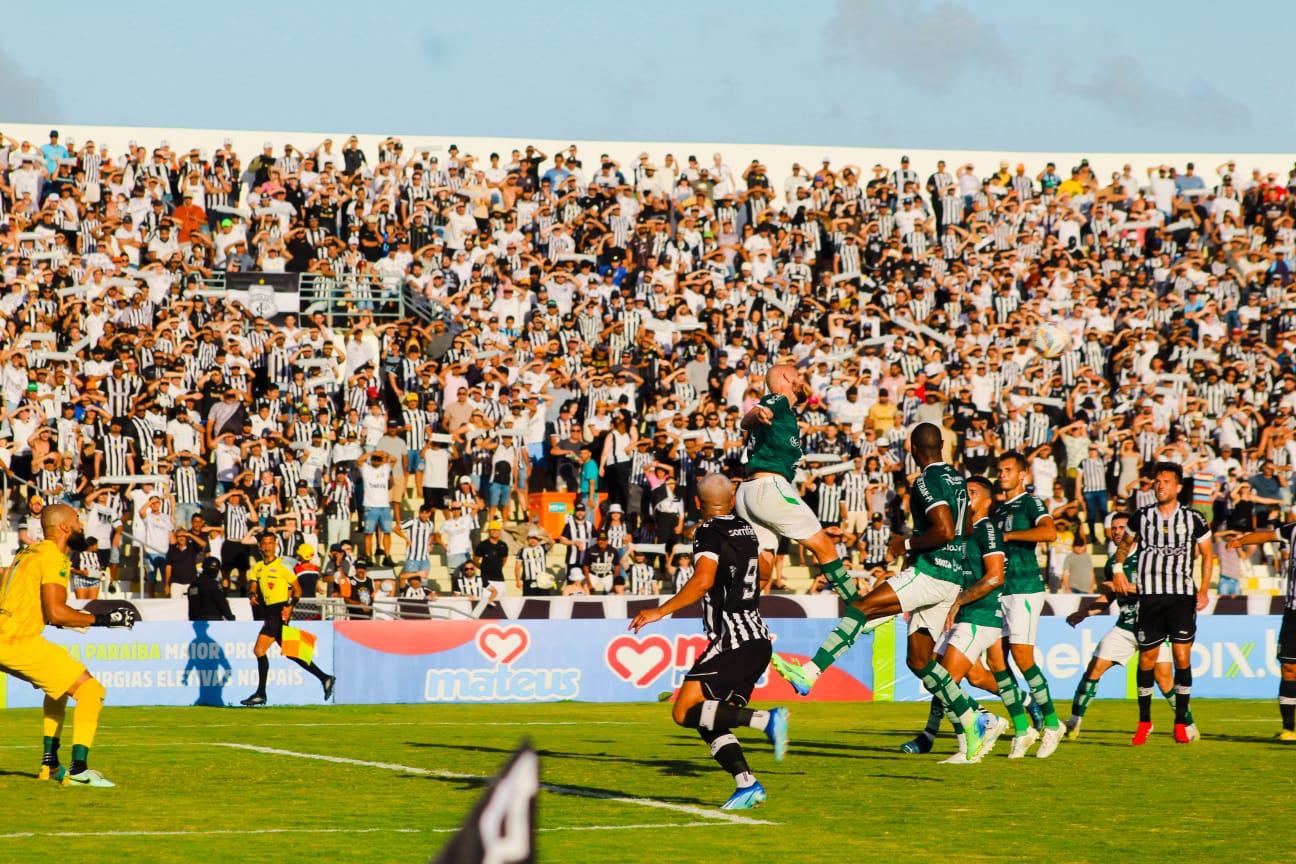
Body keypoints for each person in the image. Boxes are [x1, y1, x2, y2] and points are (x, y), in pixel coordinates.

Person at [772, 422, 992, 761]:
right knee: (919, 661)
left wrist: (906, 544)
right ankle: (972, 718)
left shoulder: (926, 481)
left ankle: (809, 673)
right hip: (951, 578)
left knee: (861, 607)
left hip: (931, 572)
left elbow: (946, 530)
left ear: (913, 449)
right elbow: (965, 528)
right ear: (942, 445)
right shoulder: (958, 480)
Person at [630, 473, 789, 810]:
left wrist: (660, 611)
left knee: (684, 711)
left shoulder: (706, 531)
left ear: (697, 503)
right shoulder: (746, 529)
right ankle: (746, 784)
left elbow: (702, 581)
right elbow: (764, 571)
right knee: (707, 716)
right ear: (731, 500)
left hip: (733, 639)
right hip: (757, 637)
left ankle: (766, 720)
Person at [0, 503, 136, 787]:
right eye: (77, 520)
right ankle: (79, 770)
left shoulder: (28, 553)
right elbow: (57, 612)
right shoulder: (54, 556)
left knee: (59, 689)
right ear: (64, 527)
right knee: (91, 691)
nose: (81, 525)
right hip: (17, 640)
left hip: (8, 637)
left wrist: (75, 619)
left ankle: (50, 765)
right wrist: (104, 619)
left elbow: (40, 609)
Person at [904, 475, 1026, 762]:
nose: (965, 497)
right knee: (943, 674)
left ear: (987, 501)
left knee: (945, 680)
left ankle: (967, 740)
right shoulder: (961, 532)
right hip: (960, 615)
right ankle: (1012, 713)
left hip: (979, 616)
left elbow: (995, 576)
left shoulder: (987, 529)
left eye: (972, 492)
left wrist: (959, 600)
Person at [1064, 513, 1198, 741]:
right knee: (1094, 668)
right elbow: (1108, 597)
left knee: (1164, 679)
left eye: (1122, 527)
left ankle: (1188, 724)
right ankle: (1074, 723)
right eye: (1114, 528)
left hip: (1155, 626)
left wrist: (1124, 586)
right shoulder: (1112, 563)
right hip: (1125, 628)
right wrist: (1084, 613)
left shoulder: (1151, 557)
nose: (1118, 532)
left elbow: (1161, 588)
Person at [1111, 461, 1214, 745]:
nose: (1160, 485)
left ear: (1178, 487)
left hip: (1181, 597)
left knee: (1182, 658)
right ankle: (1144, 721)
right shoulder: (1142, 516)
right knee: (1147, 659)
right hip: (1150, 597)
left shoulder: (1193, 518)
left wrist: (1204, 589)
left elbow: (1208, 554)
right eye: (1157, 481)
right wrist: (1118, 568)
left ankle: (1180, 722)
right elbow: (1125, 545)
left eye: (1166, 481)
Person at [735, 365, 855, 602]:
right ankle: (859, 606)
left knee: (762, 571)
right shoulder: (777, 399)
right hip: (769, 486)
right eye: (798, 376)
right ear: (786, 377)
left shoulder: (786, 411)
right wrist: (757, 416)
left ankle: (732, 612)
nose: (803, 381)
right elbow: (748, 419)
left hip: (748, 492)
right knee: (825, 546)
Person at [993, 450, 1064, 755]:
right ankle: (1022, 728)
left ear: (1023, 475)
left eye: (1008, 470)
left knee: (1023, 659)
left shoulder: (1030, 503)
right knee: (995, 661)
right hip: (999, 590)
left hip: (1024, 587)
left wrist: (1010, 537)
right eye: (1000, 470)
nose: (1002, 475)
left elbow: (1050, 532)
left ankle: (1053, 724)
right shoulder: (997, 510)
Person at [240, 533, 335, 706]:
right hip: (268, 611)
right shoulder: (258, 567)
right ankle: (325, 678)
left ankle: (261, 693)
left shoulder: (283, 566)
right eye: (264, 544)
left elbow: (298, 589)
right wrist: (252, 594)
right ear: (260, 546)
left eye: (270, 543)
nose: (267, 547)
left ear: (275, 545)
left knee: (259, 650)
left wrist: (290, 606)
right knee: (291, 651)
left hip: (278, 611)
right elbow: (253, 584)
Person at [1225, 523, 1296, 740]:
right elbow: (1267, 536)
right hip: (1293, 612)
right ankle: (1289, 728)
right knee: (1289, 668)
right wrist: (1241, 541)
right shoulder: (1293, 529)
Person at [188, 556, 236, 622]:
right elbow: (222, 602)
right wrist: (230, 617)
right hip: (213, 620)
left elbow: (191, 609)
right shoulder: (213, 584)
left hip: (197, 621)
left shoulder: (192, 585)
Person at [474, 520, 511, 602]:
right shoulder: (482, 545)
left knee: (501, 602)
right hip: (486, 580)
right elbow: (475, 560)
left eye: (496, 529)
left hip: (500, 579)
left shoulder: (503, 545)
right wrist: (484, 567)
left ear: (499, 531)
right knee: (486, 602)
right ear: (489, 531)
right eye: (492, 529)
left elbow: (504, 560)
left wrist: (497, 567)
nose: (494, 531)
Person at [515, 529, 554, 595]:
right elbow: (517, 567)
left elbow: (552, 542)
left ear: (538, 539)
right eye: (531, 538)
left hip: (542, 580)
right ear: (527, 539)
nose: (533, 540)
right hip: (529, 581)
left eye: (535, 538)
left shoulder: (542, 548)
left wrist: (541, 537)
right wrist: (518, 580)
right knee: (529, 600)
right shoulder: (522, 551)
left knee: (543, 600)